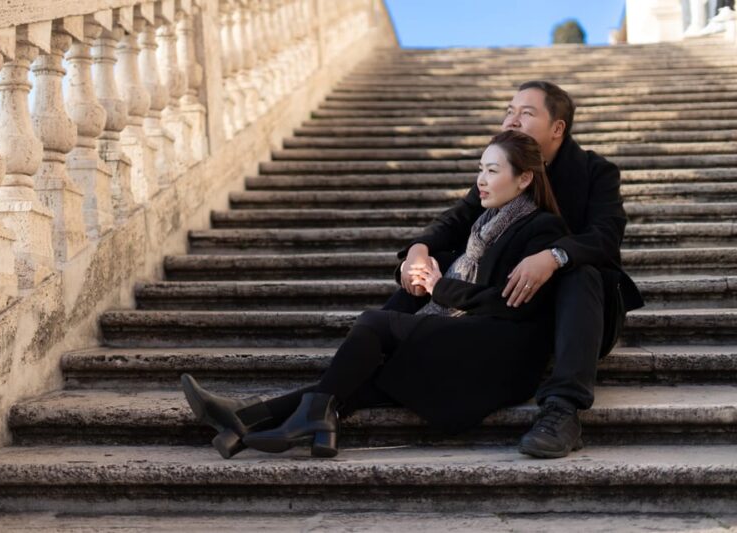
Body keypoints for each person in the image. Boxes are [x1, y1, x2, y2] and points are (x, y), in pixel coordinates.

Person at [182, 130, 569, 459]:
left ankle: (266, 420)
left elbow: (510, 305)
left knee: (374, 325)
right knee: (362, 375)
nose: (481, 180)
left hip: (502, 356)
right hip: (471, 338)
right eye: (480, 169)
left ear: (524, 179)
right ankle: (245, 424)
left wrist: (439, 287)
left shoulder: (541, 229)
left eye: (492, 171)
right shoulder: (485, 223)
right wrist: (422, 270)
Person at [385, 81, 644, 459]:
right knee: (436, 261)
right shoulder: (504, 165)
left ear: (557, 128)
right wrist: (418, 250)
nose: (512, 120)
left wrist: (553, 256)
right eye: (509, 111)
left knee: (582, 271)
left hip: (575, 311)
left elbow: (605, 237)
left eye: (526, 113)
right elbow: (457, 220)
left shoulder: (595, 172)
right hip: (507, 304)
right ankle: (373, 352)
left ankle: (563, 409)